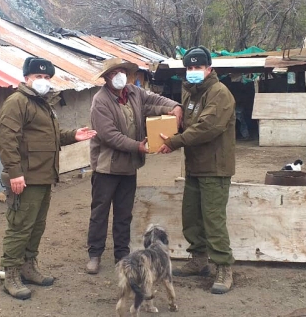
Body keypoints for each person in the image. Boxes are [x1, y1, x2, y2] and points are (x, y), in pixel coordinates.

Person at [0, 56, 97, 300]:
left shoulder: (43, 104)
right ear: (26, 78)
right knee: (20, 227)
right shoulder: (17, 102)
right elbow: (6, 139)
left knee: (36, 226)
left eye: (46, 77)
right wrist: (15, 173)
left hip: (43, 177)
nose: (42, 81)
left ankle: (28, 267)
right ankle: (10, 275)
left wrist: (73, 135)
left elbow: (48, 137)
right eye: (37, 77)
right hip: (25, 178)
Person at [85, 57, 182, 275]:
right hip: (106, 167)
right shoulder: (100, 101)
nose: (118, 76)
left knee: (124, 212)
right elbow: (109, 135)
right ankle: (95, 254)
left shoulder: (134, 93)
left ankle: (121, 254)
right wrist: (138, 146)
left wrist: (174, 107)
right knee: (99, 212)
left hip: (128, 166)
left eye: (121, 71)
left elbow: (155, 101)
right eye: (113, 73)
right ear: (106, 78)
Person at [157, 46, 236, 294]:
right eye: (189, 68)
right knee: (192, 217)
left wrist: (173, 141)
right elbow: (185, 126)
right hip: (194, 167)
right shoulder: (191, 95)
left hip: (215, 167)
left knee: (213, 220)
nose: (193, 71)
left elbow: (206, 127)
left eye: (197, 67)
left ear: (209, 69)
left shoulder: (219, 93)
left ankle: (224, 267)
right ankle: (199, 260)